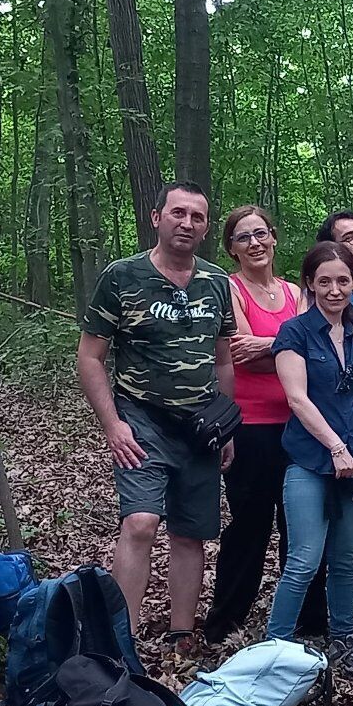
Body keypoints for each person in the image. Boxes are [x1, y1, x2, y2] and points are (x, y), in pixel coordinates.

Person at [76, 181, 236, 655]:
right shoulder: (122, 276)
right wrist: (113, 424)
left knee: (191, 532)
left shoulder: (216, 283)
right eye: (178, 213)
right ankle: (119, 640)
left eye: (197, 217)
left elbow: (223, 359)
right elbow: (90, 357)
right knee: (141, 522)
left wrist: (226, 426)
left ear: (206, 227)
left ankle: (181, 633)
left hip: (201, 426)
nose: (187, 223)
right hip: (141, 419)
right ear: (156, 218)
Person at [266, 242, 353, 677]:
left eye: (343, 280)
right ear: (310, 284)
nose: (335, 290)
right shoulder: (294, 334)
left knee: (345, 559)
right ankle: (275, 651)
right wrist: (335, 447)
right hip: (309, 461)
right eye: (325, 281)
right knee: (304, 558)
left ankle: (344, 643)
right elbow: (297, 399)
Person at [206, 206, 327, 644]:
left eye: (261, 234)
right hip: (251, 424)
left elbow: (316, 345)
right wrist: (290, 345)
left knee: (303, 524)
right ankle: (226, 621)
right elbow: (240, 352)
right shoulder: (231, 289)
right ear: (232, 248)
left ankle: (310, 619)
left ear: (274, 238)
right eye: (243, 237)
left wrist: (272, 345)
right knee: (250, 524)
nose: (255, 243)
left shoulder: (295, 291)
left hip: (300, 422)